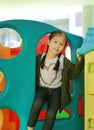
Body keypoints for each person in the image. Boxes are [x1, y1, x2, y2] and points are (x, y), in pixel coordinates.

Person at [27, 30, 84, 130]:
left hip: (56, 92)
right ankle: (30, 128)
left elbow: (74, 72)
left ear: (64, 47)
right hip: (42, 89)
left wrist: (79, 60)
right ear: (49, 42)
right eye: (55, 42)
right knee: (37, 104)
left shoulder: (62, 60)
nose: (57, 46)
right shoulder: (40, 58)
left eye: (61, 44)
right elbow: (28, 69)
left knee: (51, 114)